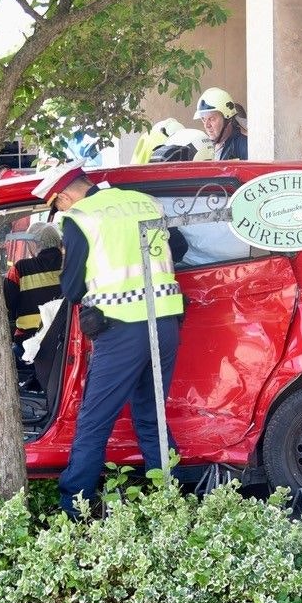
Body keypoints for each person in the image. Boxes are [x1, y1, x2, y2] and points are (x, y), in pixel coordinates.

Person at [34, 160, 185, 519]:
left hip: (121, 327)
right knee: (152, 416)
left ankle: (76, 506)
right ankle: (171, 500)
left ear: (66, 196)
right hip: (165, 322)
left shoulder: (82, 218)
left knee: (95, 419)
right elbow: (177, 249)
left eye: (57, 204)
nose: (59, 212)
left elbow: (71, 289)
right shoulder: (144, 202)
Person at [3, 222, 64, 344]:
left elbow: (6, 304)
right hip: (63, 342)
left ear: (33, 243)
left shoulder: (20, 269)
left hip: (27, 342)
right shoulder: (70, 265)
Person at [193, 86, 248, 160]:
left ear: (228, 119)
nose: (206, 125)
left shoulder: (244, 146)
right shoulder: (205, 146)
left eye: (212, 119)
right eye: (203, 119)